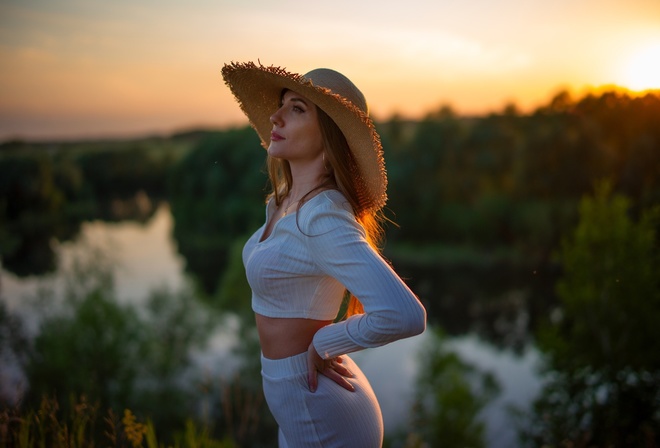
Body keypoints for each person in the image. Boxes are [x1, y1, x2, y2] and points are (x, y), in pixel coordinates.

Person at [221, 61, 426, 448]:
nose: (276, 116)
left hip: (320, 409)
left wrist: (324, 342)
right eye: (281, 104)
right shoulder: (282, 204)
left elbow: (405, 314)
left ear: (330, 136)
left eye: (297, 109)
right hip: (297, 403)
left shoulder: (323, 215)